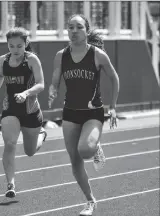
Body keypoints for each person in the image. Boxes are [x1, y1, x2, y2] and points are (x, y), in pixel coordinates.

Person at [48, 14, 119, 216]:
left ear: (86, 31)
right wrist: (53, 89)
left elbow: (114, 78)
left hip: (92, 113)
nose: (74, 31)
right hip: (70, 113)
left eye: (79, 27)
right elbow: (55, 78)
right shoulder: (61, 55)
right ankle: (90, 201)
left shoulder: (97, 55)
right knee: (75, 160)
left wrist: (113, 107)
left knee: (85, 150)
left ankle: (95, 147)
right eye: (70, 27)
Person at [0, 27, 47, 198]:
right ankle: (10, 183)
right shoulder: (3, 60)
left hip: (30, 110)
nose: (15, 50)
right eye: (11, 46)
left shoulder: (32, 60)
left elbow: (41, 84)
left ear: (26, 43)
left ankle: (42, 134)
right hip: (10, 108)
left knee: (30, 151)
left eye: (19, 46)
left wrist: (26, 93)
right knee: (10, 143)